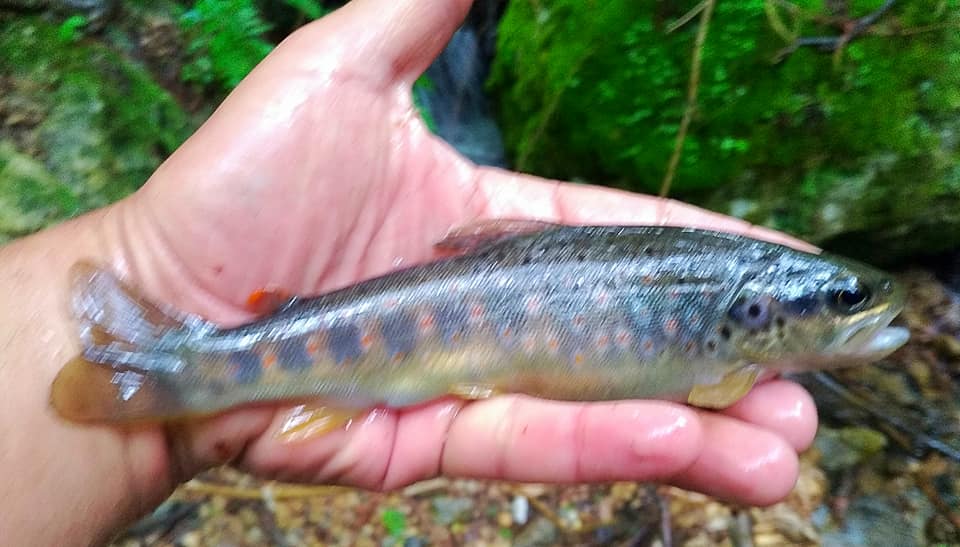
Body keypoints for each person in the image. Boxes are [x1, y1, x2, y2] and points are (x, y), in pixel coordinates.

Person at [0, 0, 818, 544]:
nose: (857, 311)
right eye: (843, 299)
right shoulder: (725, 342)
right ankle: (189, 366)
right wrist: (148, 258)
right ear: (754, 316)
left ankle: (192, 367)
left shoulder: (730, 336)